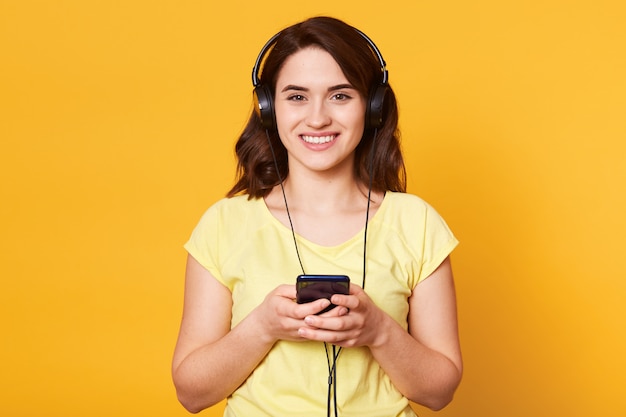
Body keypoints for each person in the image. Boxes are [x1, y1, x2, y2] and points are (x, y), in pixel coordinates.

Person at [172, 16, 462, 417]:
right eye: (296, 97)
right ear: (269, 108)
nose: (318, 118)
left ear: (372, 107)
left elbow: (439, 393)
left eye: (340, 96)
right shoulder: (224, 224)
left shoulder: (417, 223)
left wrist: (377, 330)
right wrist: (263, 327)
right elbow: (191, 394)